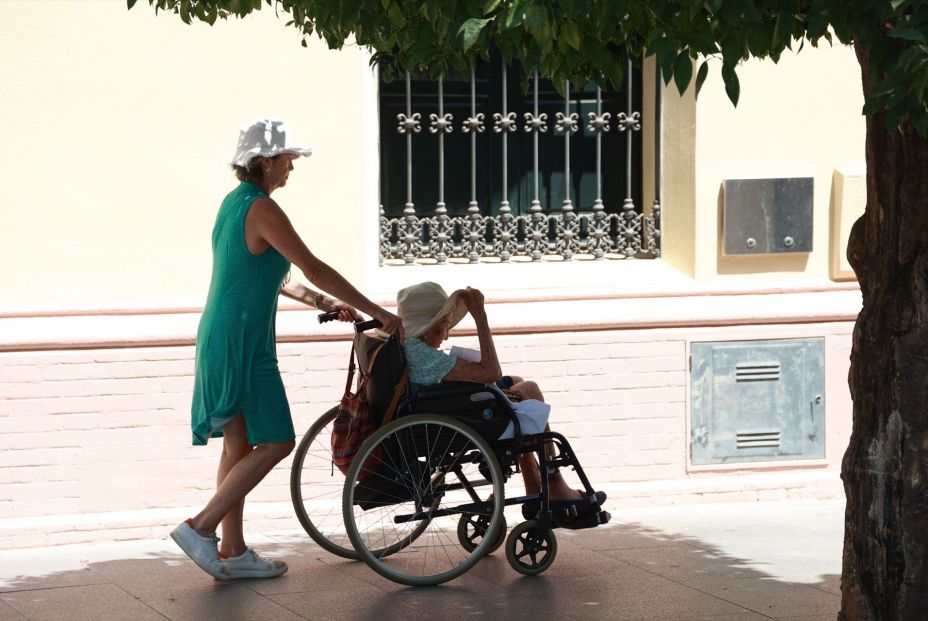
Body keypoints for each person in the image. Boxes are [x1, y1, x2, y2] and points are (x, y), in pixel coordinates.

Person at [171, 118, 402, 581]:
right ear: (266, 161)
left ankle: (233, 554)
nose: (292, 168)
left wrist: (320, 302)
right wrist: (381, 312)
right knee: (277, 440)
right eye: (288, 160)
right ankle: (200, 527)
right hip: (242, 341)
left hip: (221, 334)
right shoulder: (262, 208)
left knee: (238, 446)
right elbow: (313, 266)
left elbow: (265, 273)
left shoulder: (234, 204)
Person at [395, 281, 588, 506]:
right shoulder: (420, 354)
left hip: (435, 406)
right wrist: (480, 317)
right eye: (443, 327)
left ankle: (533, 484)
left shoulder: (409, 346)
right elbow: (491, 371)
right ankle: (554, 482)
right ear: (426, 327)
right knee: (530, 390)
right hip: (447, 417)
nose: (446, 336)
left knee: (516, 383)